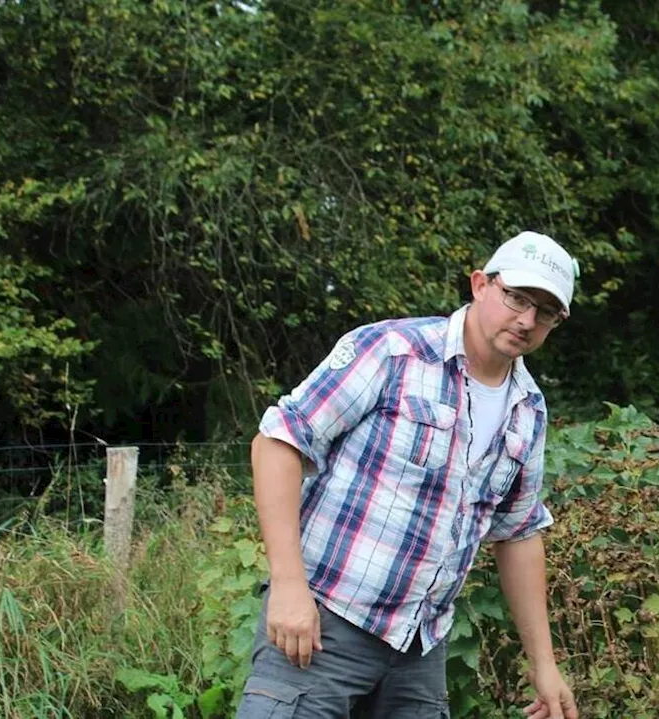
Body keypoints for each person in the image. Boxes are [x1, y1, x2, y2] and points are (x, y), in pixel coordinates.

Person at [235, 231, 581, 719]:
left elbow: (518, 533)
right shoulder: (393, 351)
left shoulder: (529, 411)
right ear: (481, 285)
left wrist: (544, 665)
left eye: (545, 311)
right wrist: (289, 585)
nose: (526, 320)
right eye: (516, 298)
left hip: (419, 646)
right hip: (321, 625)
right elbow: (279, 442)